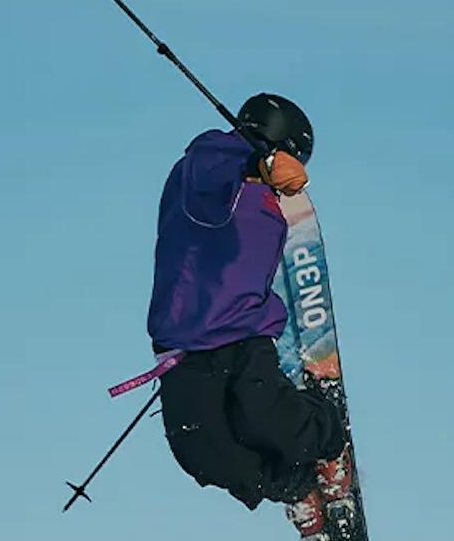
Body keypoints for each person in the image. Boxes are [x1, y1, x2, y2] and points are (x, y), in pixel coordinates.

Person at [148, 94, 346, 509]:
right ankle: (294, 487)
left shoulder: (255, 197)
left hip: (240, 331)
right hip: (182, 343)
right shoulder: (206, 165)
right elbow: (212, 169)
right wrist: (260, 164)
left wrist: (262, 175)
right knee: (201, 453)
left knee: (265, 419)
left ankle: (328, 443)